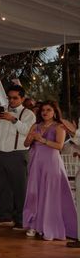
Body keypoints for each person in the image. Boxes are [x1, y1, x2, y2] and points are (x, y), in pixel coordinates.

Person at [23, 101, 78, 241]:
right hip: (36, 162)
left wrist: (42, 140)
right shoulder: (35, 125)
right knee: (35, 192)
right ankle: (34, 225)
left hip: (51, 162)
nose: (45, 112)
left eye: (48, 110)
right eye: (43, 110)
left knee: (50, 193)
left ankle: (49, 226)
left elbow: (59, 146)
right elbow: (26, 144)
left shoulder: (59, 126)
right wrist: (30, 138)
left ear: (54, 112)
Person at [0, 85, 36, 230]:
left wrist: (14, 120)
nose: (12, 100)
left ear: (22, 98)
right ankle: (5, 216)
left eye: (15, 98)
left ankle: (22, 220)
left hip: (18, 153)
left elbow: (28, 131)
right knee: (3, 186)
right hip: (1, 153)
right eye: (10, 97)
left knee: (20, 188)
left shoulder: (28, 114)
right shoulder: (4, 112)